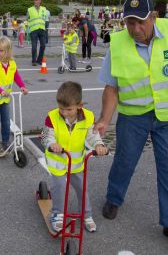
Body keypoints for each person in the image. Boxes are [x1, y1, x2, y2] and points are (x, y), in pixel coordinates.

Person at [95, 0, 168, 246]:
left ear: (153, 16)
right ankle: (114, 199)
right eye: (130, 23)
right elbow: (111, 88)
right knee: (124, 161)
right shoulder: (117, 44)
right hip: (133, 116)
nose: (136, 29)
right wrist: (104, 119)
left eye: (141, 22)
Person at [42, 81, 108, 233]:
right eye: (61, 109)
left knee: (81, 188)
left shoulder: (88, 117)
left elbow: (93, 136)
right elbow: (46, 137)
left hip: (77, 163)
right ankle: (57, 214)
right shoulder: (52, 116)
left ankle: (86, 215)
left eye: (68, 109)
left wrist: (99, 145)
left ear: (80, 105)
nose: (64, 112)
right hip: (57, 161)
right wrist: (52, 145)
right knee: (60, 187)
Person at [0, 36, 28, 151]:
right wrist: (1, 91)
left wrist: (22, 86)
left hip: (4, 98)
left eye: (1, 51)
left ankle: (5, 141)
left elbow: (16, 76)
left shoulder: (12, 63)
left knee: (6, 121)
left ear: (8, 51)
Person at [27, 0, 47, 66]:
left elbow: (46, 19)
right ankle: (34, 61)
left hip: (42, 29)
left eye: (38, 0)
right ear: (34, 1)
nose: (36, 1)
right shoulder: (30, 9)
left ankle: (39, 60)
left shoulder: (44, 9)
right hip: (34, 30)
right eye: (35, 0)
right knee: (34, 46)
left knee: (43, 45)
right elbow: (27, 19)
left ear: (40, 1)